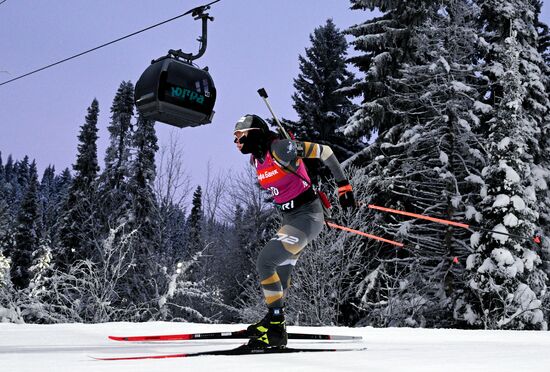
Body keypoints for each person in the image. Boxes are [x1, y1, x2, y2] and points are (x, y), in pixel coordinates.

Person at [233, 114, 356, 349]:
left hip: (308, 216)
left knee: (265, 262)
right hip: (291, 218)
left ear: (256, 132)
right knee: (280, 272)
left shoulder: (280, 148)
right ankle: (273, 319)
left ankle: (277, 329)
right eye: (234, 137)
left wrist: (343, 185)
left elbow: (326, 152)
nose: (236, 141)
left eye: (240, 135)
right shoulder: (257, 159)